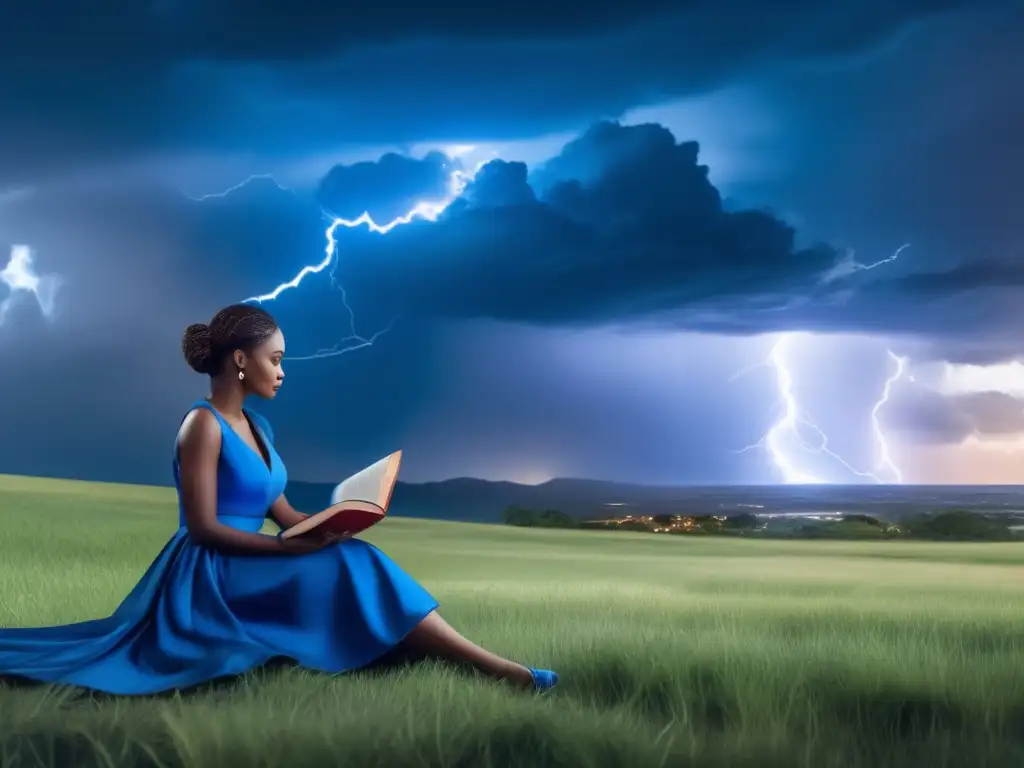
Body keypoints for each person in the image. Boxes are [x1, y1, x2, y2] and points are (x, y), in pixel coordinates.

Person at [0, 303, 558, 695]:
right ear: (241, 360)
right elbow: (201, 529)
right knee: (353, 567)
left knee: (353, 556)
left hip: (258, 557)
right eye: (277, 359)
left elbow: (283, 512)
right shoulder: (203, 424)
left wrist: (334, 521)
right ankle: (501, 672)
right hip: (211, 575)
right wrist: (292, 552)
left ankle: (470, 664)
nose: (283, 372)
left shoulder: (260, 428)